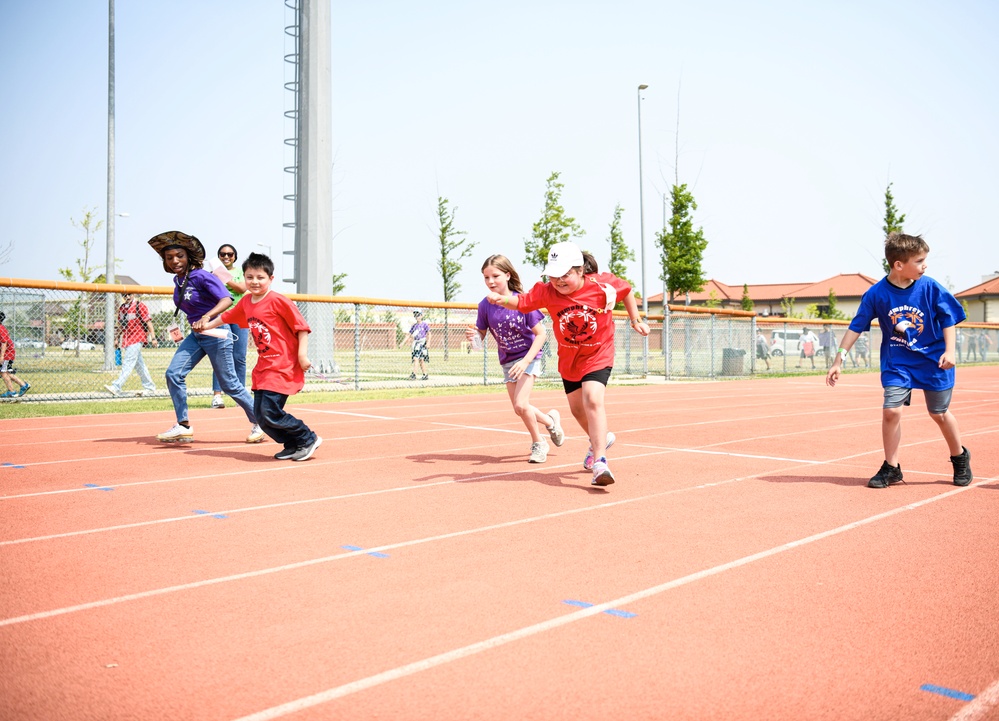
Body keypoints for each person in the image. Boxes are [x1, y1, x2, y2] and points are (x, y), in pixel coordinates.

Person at [486, 241, 650, 486]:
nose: (559, 281)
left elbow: (626, 291)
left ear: (580, 270)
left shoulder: (602, 285)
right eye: (554, 276)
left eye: (565, 275)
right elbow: (522, 303)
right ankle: (599, 440)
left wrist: (635, 319)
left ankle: (600, 462)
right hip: (570, 358)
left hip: (598, 353)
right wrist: (501, 300)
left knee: (592, 399)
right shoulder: (546, 291)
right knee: (576, 410)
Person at [826, 232, 972, 488]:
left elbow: (948, 318)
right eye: (919, 261)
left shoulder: (930, 286)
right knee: (891, 411)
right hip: (898, 363)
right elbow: (856, 327)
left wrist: (950, 351)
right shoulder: (876, 294)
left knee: (938, 413)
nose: (925, 265)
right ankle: (891, 467)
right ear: (898, 265)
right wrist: (839, 360)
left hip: (934, 361)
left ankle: (959, 457)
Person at [199, 253, 322, 461]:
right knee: (261, 417)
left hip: (283, 365)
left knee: (270, 411)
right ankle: (293, 444)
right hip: (264, 366)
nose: (254, 282)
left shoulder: (278, 301)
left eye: (260, 277)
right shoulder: (246, 301)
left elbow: (302, 328)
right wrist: (207, 325)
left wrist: (302, 356)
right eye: (249, 277)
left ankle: (307, 437)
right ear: (244, 278)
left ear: (270, 279)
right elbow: (227, 316)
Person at [147, 230, 264, 444]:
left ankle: (261, 422)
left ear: (189, 257)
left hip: (216, 333)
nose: (175, 261)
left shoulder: (201, 276)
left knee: (229, 384)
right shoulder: (178, 281)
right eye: (169, 257)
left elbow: (226, 299)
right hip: (197, 335)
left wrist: (206, 316)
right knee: (173, 374)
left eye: (179, 256)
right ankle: (183, 426)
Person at [467, 254, 566, 463]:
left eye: (495, 276)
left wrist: (526, 362)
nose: (490, 281)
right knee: (519, 409)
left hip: (529, 357)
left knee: (521, 405)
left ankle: (539, 443)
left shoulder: (522, 300)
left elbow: (542, 334)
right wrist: (474, 338)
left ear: (507, 275)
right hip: (508, 360)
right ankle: (550, 421)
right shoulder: (484, 305)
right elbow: (480, 339)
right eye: (486, 277)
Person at [209, 244, 249, 409]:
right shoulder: (212, 273)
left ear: (235, 256)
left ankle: (240, 396)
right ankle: (217, 395)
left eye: (230, 254)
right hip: (220, 317)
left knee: (239, 357)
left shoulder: (240, 272)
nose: (226, 257)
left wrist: (224, 277)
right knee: (220, 356)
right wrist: (216, 275)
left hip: (240, 316)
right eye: (222, 254)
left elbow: (241, 288)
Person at [104, 292, 158, 396]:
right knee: (139, 365)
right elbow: (121, 325)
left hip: (137, 338)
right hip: (127, 339)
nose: (127, 297)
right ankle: (150, 387)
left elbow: (148, 322)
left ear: (133, 294)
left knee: (128, 362)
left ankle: (116, 387)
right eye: (124, 295)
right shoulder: (122, 308)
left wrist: (153, 337)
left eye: (129, 294)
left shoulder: (140, 306)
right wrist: (116, 338)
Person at [0, 311, 30, 398]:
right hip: (8, 353)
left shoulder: (0, 328)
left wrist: (1, 356)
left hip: (7, 354)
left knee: (3, 372)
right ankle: (23, 385)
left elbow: (4, 342)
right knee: (7, 372)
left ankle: (11, 391)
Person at [406, 310, 430, 380]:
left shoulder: (424, 324)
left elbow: (429, 333)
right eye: (415, 315)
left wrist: (428, 342)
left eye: (418, 315)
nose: (417, 317)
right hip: (416, 344)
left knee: (416, 358)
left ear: (421, 316)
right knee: (420, 360)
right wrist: (402, 343)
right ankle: (425, 374)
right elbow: (409, 335)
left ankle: (414, 374)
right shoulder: (414, 326)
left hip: (422, 343)